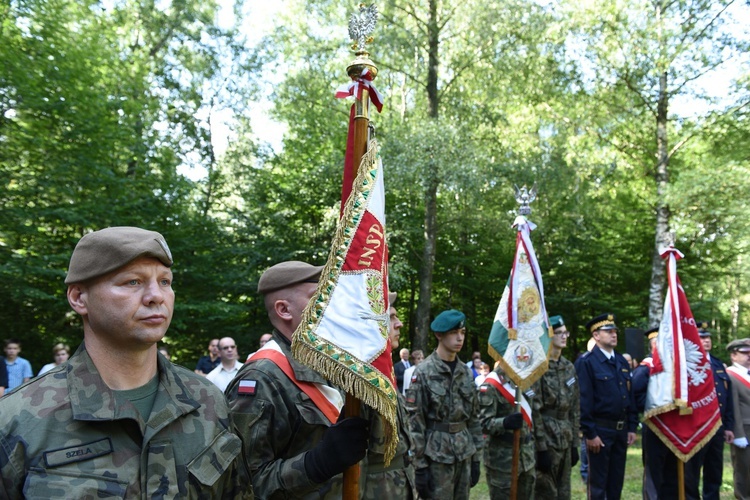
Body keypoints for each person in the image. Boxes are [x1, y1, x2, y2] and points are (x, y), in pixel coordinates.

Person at [0, 226, 249, 498]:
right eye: (133, 281)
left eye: (165, 281)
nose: (156, 296)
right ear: (79, 297)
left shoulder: (207, 401)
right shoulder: (18, 420)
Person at [225, 260, 369, 499]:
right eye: (318, 296)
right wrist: (316, 464)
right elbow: (241, 484)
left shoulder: (328, 365)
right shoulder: (261, 378)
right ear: (284, 310)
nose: (331, 305)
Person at [405, 309, 483, 500]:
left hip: (463, 453)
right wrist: (420, 467)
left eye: (462, 333)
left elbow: (473, 418)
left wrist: (476, 459)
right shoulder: (423, 372)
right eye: (454, 333)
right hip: (436, 457)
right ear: (439, 335)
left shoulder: (465, 372)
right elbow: (415, 423)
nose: (460, 338)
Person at [362, 291, 417, 499]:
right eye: (391, 317)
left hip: (401, 483)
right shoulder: (357, 379)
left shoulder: (385, 372)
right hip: (376, 490)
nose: (399, 323)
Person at [576, 313, 637, 500]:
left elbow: (629, 396)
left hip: (620, 430)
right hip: (600, 430)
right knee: (597, 485)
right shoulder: (587, 362)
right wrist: (590, 433)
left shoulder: (620, 361)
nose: (614, 334)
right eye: (608, 331)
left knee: (616, 482)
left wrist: (632, 426)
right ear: (596, 335)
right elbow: (583, 400)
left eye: (615, 331)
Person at [632, 327, 696, 499]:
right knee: (654, 475)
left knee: (674, 475)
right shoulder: (645, 369)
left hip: (676, 429)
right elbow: (637, 399)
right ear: (654, 345)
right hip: (655, 427)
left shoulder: (678, 371)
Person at [533, 315, 580, 500]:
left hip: (566, 437)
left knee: (564, 492)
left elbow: (575, 408)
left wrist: (575, 443)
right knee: (545, 491)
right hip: (547, 435)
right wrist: (541, 447)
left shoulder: (569, 367)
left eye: (565, 332)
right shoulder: (539, 367)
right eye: (559, 333)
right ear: (549, 336)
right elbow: (535, 409)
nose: (564, 336)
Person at [686, 323, 734, 500]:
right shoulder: (687, 364)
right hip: (695, 425)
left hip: (717, 425)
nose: (705, 341)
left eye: (707, 337)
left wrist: (728, 426)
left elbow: (726, 398)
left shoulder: (717, 364)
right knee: (691, 471)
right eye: (701, 337)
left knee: (714, 470)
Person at [478, 364, 536, 498]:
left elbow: (533, 416)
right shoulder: (491, 385)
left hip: (527, 457)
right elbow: (482, 423)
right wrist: (504, 422)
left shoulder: (525, 379)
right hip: (502, 461)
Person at [727, 338, 750, 500]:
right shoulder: (730, 375)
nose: (749, 356)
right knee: (744, 467)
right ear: (734, 356)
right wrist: (738, 433)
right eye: (745, 353)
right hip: (744, 426)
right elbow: (733, 406)